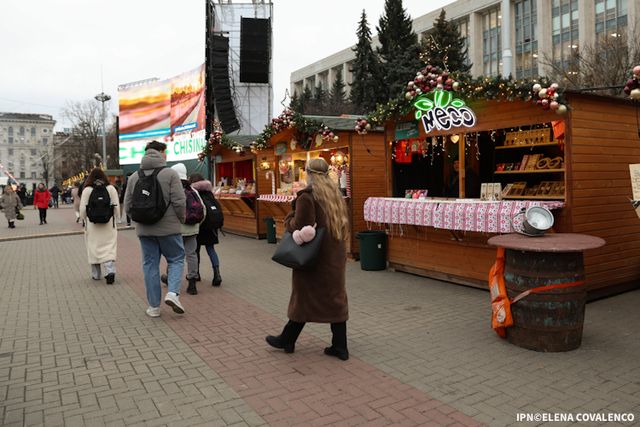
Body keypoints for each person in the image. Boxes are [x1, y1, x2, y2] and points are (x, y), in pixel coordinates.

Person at [265, 158, 351, 361]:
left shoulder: (307, 197)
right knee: (335, 298)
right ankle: (340, 346)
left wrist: (288, 220)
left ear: (309, 174)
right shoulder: (335, 195)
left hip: (314, 258)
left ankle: (287, 339)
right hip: (334, 256)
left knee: (303, 297)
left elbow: (301, 225)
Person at [124, 140, 186, 317]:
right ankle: (173, 293)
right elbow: (180, 201)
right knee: (176, 259)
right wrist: (181, 219)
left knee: (150, 266)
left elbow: (127, 205)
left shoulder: (135, 176)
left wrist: (138, 220)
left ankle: (153, 308)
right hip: (169, 230)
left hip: (145, 230)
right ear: (160, 152)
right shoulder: (170, 174)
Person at [78, 168, 120, 284]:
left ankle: (96, 274)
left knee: (93, 248)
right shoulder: (111, 189)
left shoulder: (87, 190)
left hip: (92, 224)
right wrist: (117, 217)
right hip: (108, 224)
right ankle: (110, 270)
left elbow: (82, 210)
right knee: (108, 247)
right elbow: (116, 207)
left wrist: (83, 219)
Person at [169, 163, 205, 295]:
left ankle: (170, 279)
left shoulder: (172, 190)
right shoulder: (193, 191)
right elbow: (203, 210)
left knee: (174, 256)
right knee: (191, 255)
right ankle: (192, 282)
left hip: (176, 229)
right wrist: (196, 225)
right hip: (192, 229)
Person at [190, 174, 223, 287]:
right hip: (211, 227)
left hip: (199, 226)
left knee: (195, 251)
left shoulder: (194, 193)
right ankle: (217, 274)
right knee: (211, 250)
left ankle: (196, 274)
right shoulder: (209, 193)